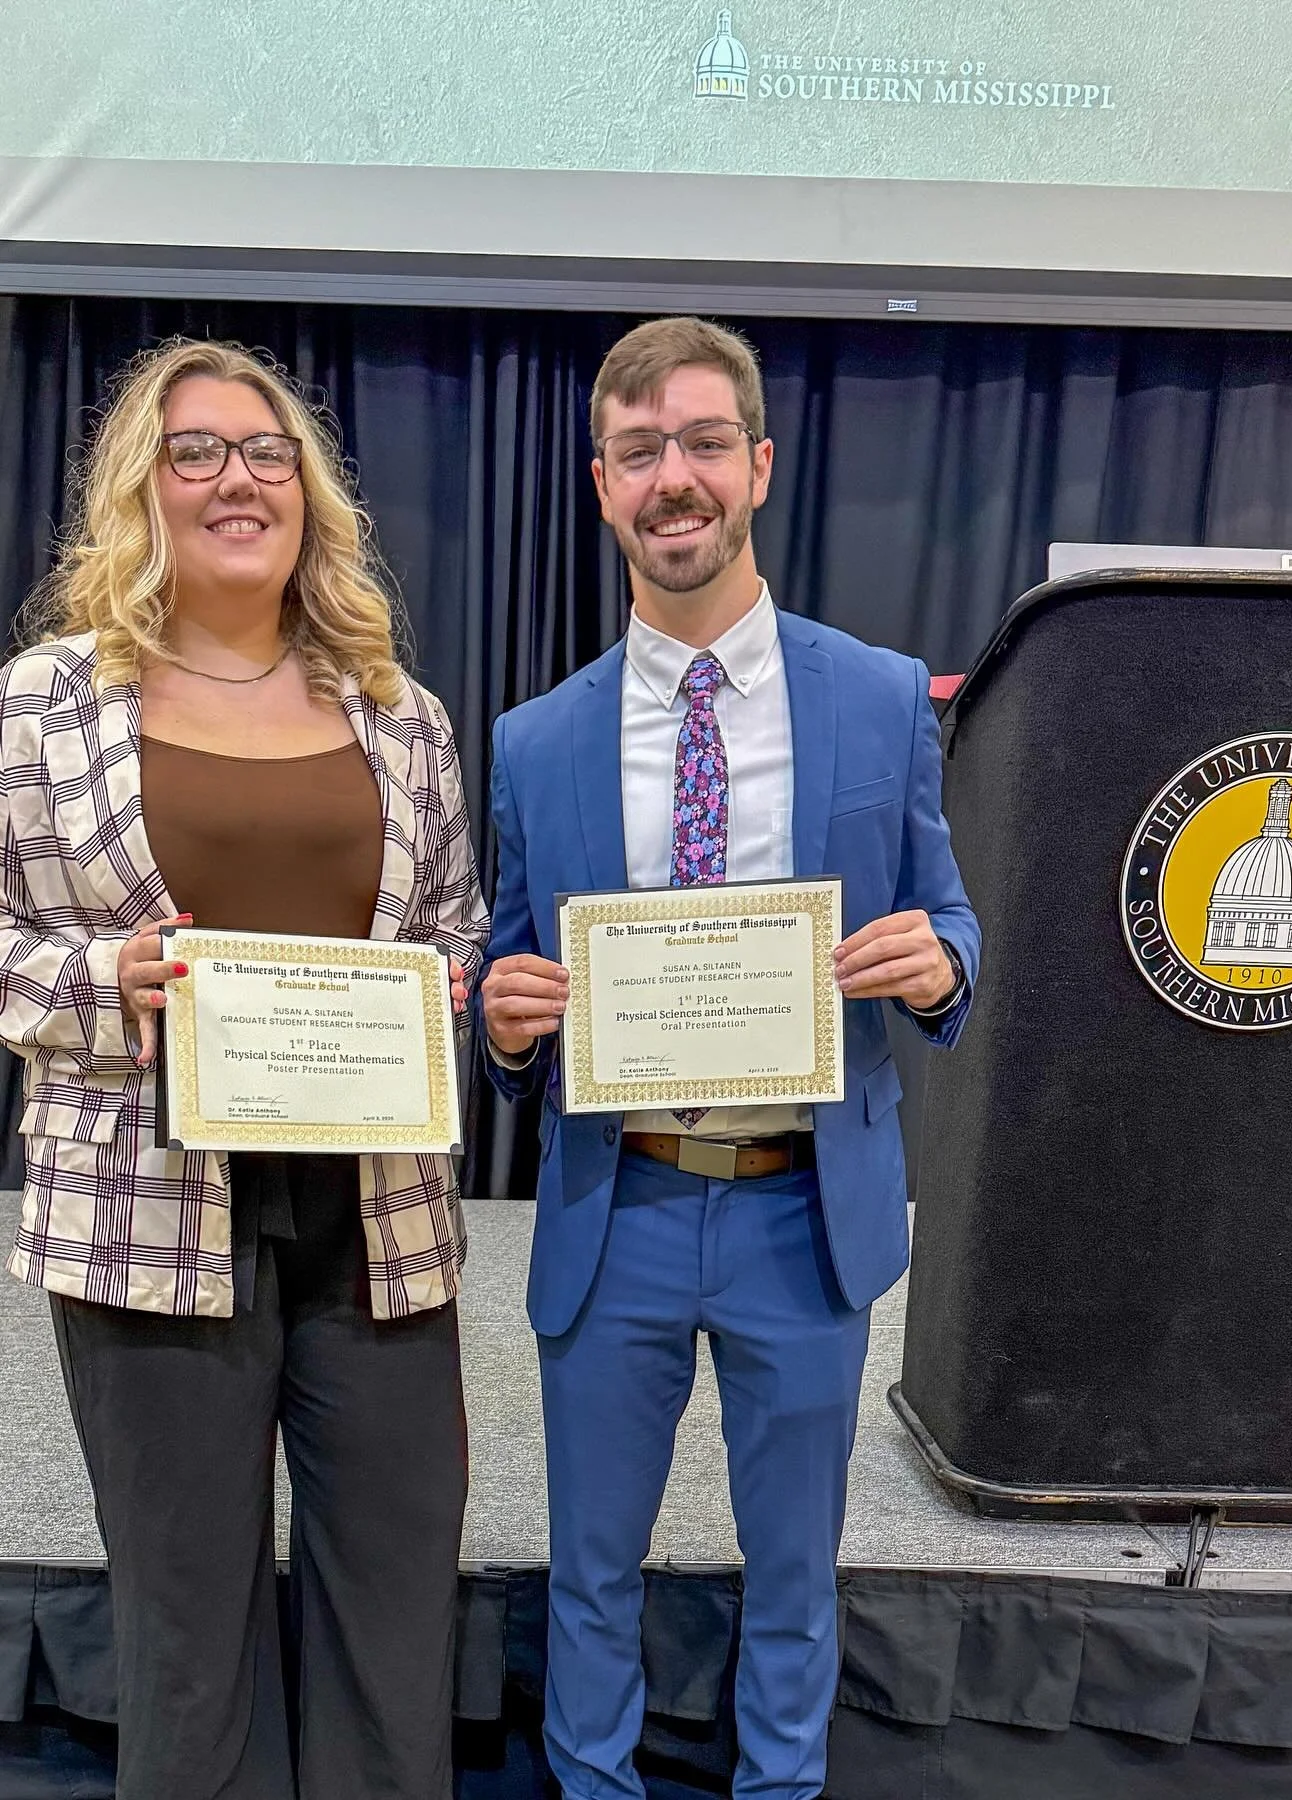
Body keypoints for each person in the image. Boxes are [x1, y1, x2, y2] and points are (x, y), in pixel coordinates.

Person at [480, 317, 979, 1800]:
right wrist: (502, 1024)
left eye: (703, 444)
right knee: (588, 1573)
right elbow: (510, 976)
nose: (673, 478)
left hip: (800, 1210)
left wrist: (944, 961)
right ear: (601, 485)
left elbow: (949, 911)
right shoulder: (536, 740)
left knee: (793, 1577)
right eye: (640, 452)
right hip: (616, 1205)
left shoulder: (881, 697)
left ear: (758, 466)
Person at [0, 337, 487, 1799]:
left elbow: (453, 915)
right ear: (140, 488)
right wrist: (103, 978)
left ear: (310, 495)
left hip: (380, 1232)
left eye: (267, 453)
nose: (237, 479)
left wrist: (447, 980)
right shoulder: (46, 700)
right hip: (148, 1233)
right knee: (187, 1637)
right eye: (197, 451)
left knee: (393, 1624)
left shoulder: (396, 709)